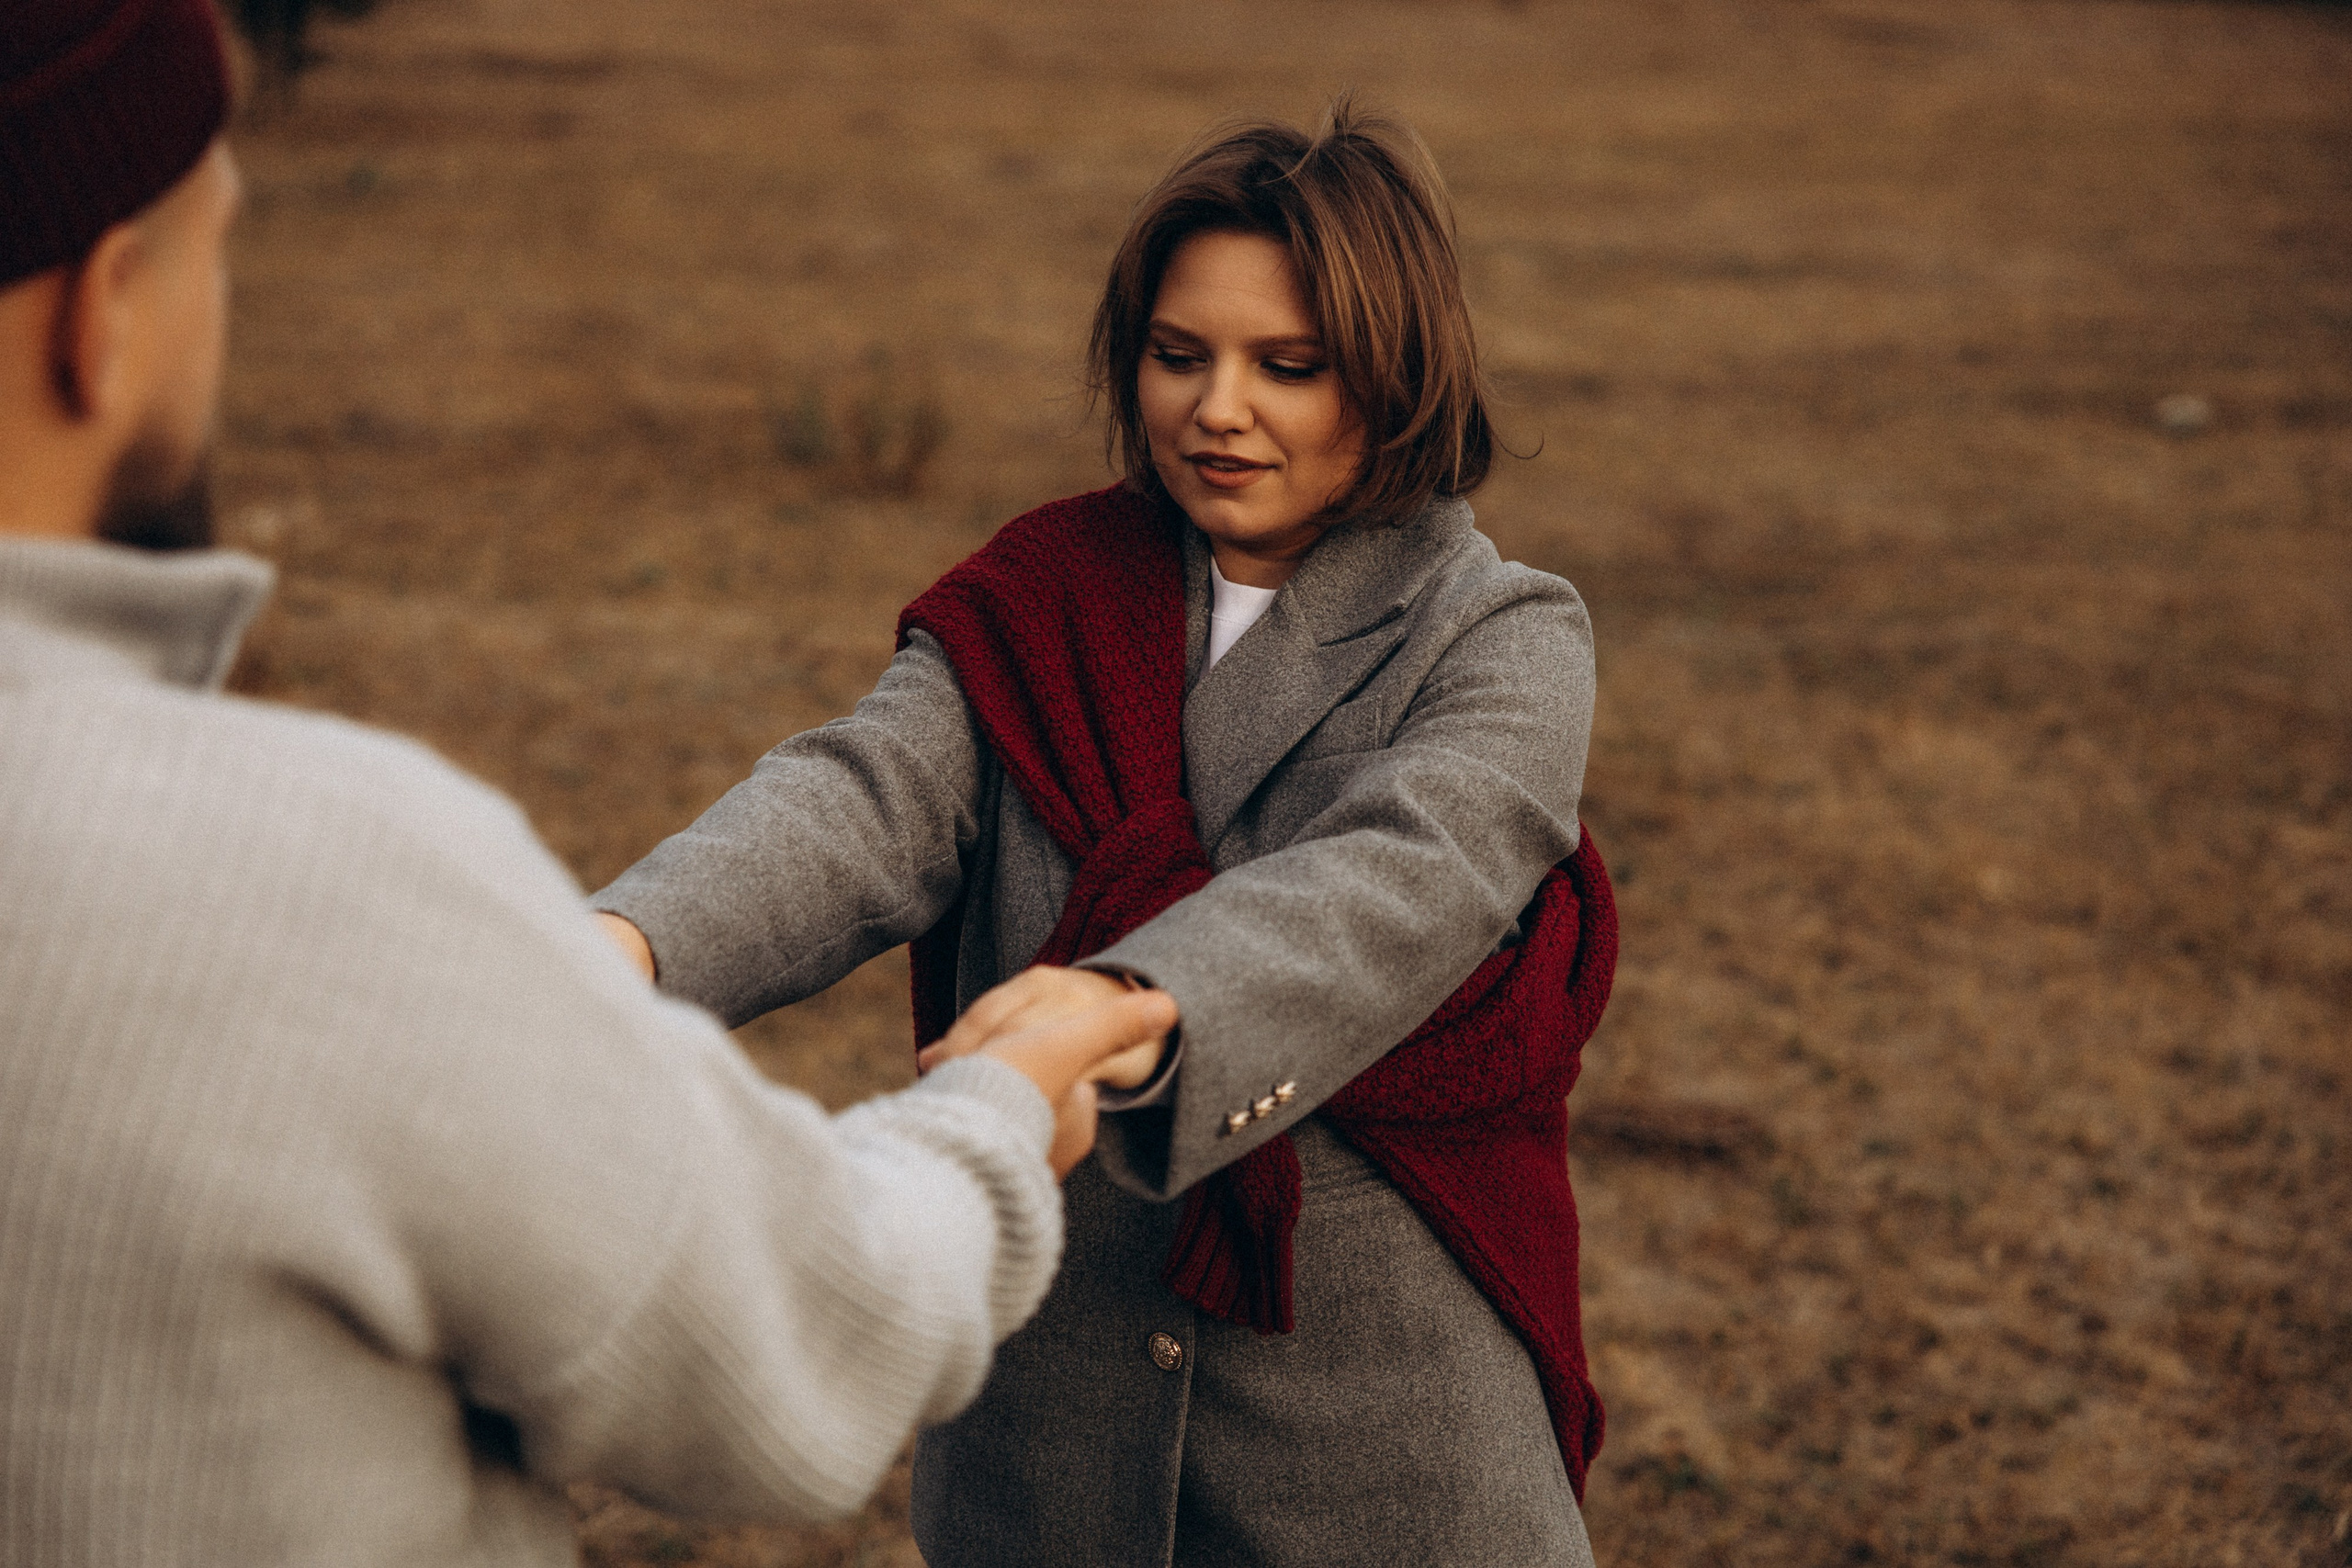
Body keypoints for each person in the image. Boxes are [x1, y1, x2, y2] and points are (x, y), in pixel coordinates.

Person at [0, 3, 1176, 1563]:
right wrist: (989, 1120)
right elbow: (798, 1339)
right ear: (102, 311)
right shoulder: (294, 874)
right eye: (214, 242)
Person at [595, 102, 1615, 1567]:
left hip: (1384, 1451)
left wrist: (1127, 1005)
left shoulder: (1503, 637)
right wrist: (620, 946)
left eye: (1289, 367)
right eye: (1179, 354)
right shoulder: (1050, 590)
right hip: (1049, 1439)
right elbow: (865, 794)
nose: (1217, 409)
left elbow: (1404, 875)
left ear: (1394, 376)